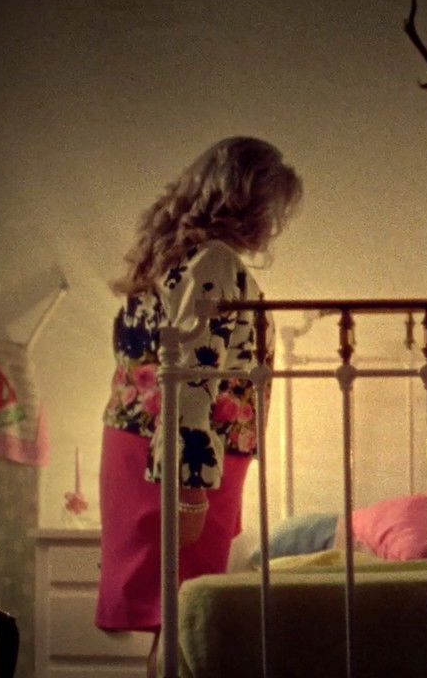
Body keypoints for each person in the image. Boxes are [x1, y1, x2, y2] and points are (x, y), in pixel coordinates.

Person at [95, 136, 302, 677]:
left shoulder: (166, 256)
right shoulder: (214, 260)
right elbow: (191, 374)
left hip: (149, 441)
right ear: (246, 200)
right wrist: (190, 487)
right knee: (183, 612)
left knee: (172, 618)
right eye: (271, 207)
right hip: (185, 449)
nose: (272, 223)